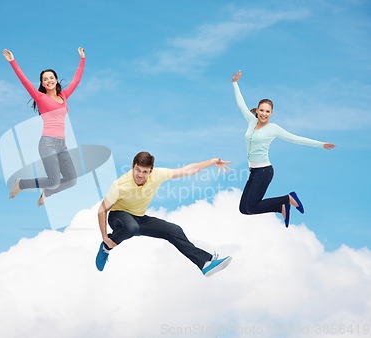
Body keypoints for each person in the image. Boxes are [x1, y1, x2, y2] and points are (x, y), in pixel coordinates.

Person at [95, 151, 233, 277]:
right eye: (137, 170)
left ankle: (205, 263)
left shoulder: (157, 175)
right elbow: (102, 210)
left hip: (139, 218)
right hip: (118, 216)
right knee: (131, 227)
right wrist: (105, 237)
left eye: (145, 171)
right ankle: (106, 247)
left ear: (151, 171)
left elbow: (187, 171)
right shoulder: (119, 185)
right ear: (132, 166)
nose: (140, 175)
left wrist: (212, 161)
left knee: (174, 230)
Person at [232, 70, 335, 227]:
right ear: (257, 110)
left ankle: (287, 199)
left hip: (264, 171)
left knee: (251, 207)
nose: (264, 114)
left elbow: (295, 139)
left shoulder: (273, 128)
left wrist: (321, 144)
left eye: (267, 111)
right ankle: (280, 207)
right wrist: (235, 83)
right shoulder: (251, 122)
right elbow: (241, 104)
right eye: (261, 110)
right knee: (244, 209)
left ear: (271, 113)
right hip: (253, 171)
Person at [3, 47, 85, 206]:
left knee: (72, 180)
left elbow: (77, 80)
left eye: (51, 77)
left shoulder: (64, 96)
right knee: (54, 181)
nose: (49, 80)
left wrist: (82, 59)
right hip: (47, 143)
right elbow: (24, 81)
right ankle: (21, 184)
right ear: (42, 83)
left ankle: (47, 192)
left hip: (62, 144)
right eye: (45, 79)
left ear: (56, 79)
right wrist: (12, 61)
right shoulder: (40, 97)